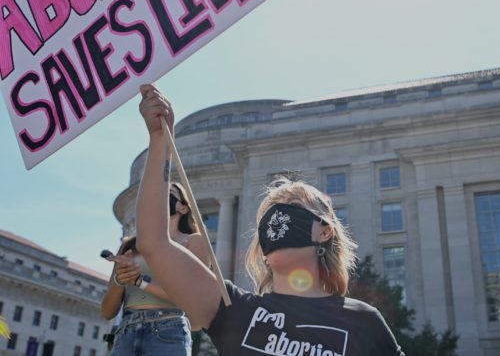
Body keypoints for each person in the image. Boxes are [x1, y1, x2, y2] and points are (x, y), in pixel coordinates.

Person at [134, 84, 404, 355]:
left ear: (324, 231)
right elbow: (154, 242)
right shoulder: (233, 310)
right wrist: (160, 140)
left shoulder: (363, 322)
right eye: (269, 213)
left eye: (291, 206)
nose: (277, 218)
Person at [101, 182, 210, 356]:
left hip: (168, 332)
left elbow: (193, 297)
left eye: (169, 193)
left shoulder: (193, 241)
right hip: (126, 334)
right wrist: (119, 280)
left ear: (183, 208)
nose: (159, 197)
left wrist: (139, 282)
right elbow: (107, 311)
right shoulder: (129, 245)